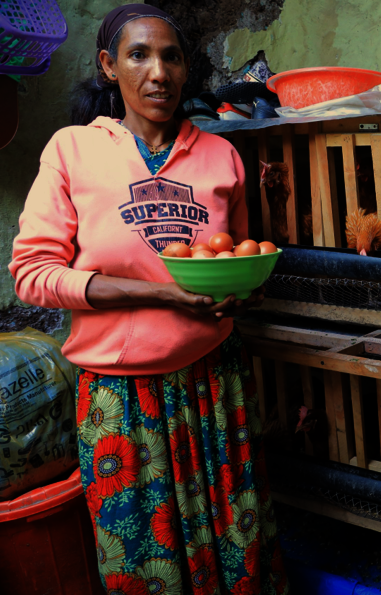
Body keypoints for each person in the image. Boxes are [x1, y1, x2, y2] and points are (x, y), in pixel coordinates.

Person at [9, 4, 289, 595]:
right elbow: (32, 275)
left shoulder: (220, 157)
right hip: (121, 400)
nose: (158, 72)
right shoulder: (72, 150)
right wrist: (160, 294)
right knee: (145, 560)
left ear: (187, 70)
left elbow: (236, 258)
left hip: (215, 385)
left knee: (233, 548)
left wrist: (241, 296)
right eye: (138, 55)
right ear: (109, 66)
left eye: (171, 57)